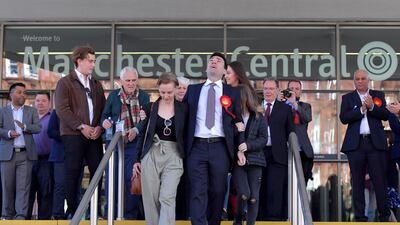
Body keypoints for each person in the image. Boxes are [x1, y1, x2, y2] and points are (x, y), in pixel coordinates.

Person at [184, 52, 245, 225]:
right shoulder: (193, 90)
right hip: (196, 146)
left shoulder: (232, 93)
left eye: (218, 61)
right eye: (211, 60)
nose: (213, 62)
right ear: (206, 67)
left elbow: (237, 120)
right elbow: (182, 116)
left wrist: (241, 145)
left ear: (224, 70)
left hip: (220, 147)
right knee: (198, 191)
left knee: (218, 191)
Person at [55, 46, 106, 218]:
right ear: (79, 60)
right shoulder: (65, 82)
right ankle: (72, 210)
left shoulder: (96, 84)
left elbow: (103, 110)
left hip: (94, 136)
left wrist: (99, 127)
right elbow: (62, 110)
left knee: (97, 172)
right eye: (90, 61)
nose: (93, 64)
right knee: (73, 172)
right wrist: (81, 126)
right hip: (73, 135)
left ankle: (96, 211)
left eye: (94, 61)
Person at [133, 72, 187, 225]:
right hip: (152, 152)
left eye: (169, 92)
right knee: (151, 199)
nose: (166, 95)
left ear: (176, 89)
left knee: (167, 196)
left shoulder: (184, 109)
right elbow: (142, 134)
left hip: (174, 154)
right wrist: (137, 160)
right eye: (162, 92)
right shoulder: (150, 107)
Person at [339, 69, 390, 222]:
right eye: (357, 79)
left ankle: (384, 216)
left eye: (363, 78)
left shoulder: (378, 95)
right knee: (358, 182)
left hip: (375, 145)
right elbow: (344, 118)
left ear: (368, 80)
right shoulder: (347, 98)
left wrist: (372, 107)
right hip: (356, 145)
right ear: (354, 81)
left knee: (379, 181)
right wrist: (361, 110)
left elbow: (385, 115)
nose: (360, 81)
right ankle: (360, 218)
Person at [101, 66, 149, 219]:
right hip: (115, 144)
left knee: (132, 180)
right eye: (127, 80)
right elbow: (104, 116)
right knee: (112, 182)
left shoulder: (144, 96)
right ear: (121, 81)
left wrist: (136, 129)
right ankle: (111, 215)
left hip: (134, 145)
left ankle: (130, 217)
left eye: (134, 80)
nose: (131, 83)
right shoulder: (113, 96)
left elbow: (146, 120)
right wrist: (105, 123)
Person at [0, 82, 41, 219]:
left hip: (25, 155)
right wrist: (9, 133)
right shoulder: (2, 111)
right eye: (19, 92)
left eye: (24, 92)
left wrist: (24, 127)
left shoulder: (31, 111)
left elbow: (38, 128)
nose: (23, 95)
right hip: (7, 155)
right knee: (7, 187)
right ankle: (6, 215)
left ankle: (20, 217)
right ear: (11, 94)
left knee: (23, 187)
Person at [258, 78, 294, 221]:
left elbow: (291, 132)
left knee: (275, 190)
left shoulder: (285, 108)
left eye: (271, 89)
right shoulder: (255, 107)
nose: (268, 91)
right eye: (266, 88)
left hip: (277, 155)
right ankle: (259, 219)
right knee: (259, 190)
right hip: (258, 154)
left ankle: (274, 220)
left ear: (278, 90)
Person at [232, 84, 267, 225]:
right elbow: (226, 138)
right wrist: (235, 131)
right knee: (244, 194)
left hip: (255, 160)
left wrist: (248, 145)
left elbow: (264, 138)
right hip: (238, 162)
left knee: (254, 198)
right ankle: (238, 220)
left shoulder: (258, 116)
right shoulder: (232, 116)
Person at [27, 92, 53, 220]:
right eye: (38, 100)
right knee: (27, 193)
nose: (40, 103)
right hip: (28, 161)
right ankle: (24, 221)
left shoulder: (54, 117)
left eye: (43, 100)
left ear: (49, 102)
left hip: (46, 161)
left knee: (46, 193)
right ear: (34, 102)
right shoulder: (27, 117)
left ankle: (44, 221)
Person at [284, 79, 314, 183]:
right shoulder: (280, 105)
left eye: (297, 89)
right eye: (291, 88)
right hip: (285, 150)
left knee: (302, 184)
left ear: (300, 92)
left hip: (302, 151)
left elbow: (307, 118)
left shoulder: (305, 106)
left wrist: (295, 104)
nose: (294, 91)